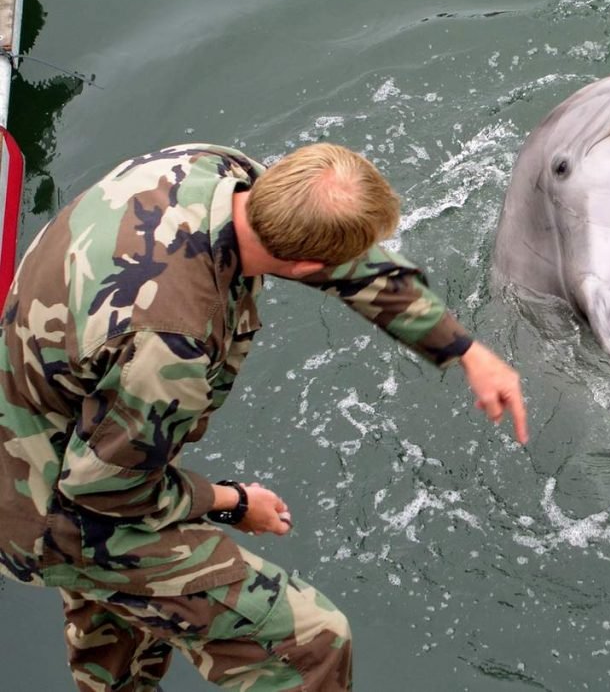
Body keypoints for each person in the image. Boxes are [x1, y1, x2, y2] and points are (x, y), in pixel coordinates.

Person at [0, 142, 529, 691]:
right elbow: (105, 496)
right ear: (302, 268)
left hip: (48, 430)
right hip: (53, 517)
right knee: (310, 643)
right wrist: (233, 503)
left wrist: (464, 349)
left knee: (125, 616)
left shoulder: (212, 171)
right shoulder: (170, 346)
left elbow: (342, 257)